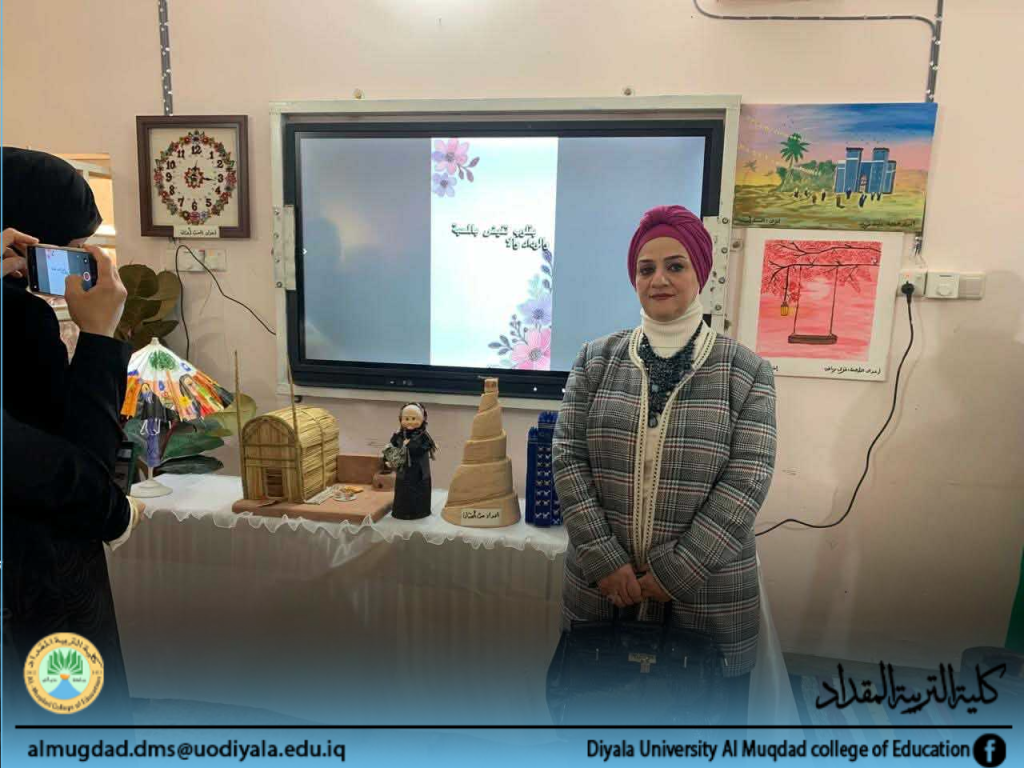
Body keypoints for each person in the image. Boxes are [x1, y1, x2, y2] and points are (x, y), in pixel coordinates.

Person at [553, 204, 777, 723]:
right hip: (604, 591)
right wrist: (605, 560)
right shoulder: (594, 360)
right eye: (645, 268)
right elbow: (567, 457)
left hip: (708, 594)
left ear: (702, 272)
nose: (659, 279)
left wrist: (676, 571)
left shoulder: (746, 371)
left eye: (675, 265)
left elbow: (749, 479)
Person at [2, 147, 143, 727]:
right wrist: (100, 337)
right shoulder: (20, 321)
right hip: (40, 588)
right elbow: (78, 474)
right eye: (70, 247)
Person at [386, 403, 437, 520]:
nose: (410, 422)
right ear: (401, 419)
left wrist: (409, 445)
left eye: (414, 419)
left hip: (419, 472)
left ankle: (420, 512)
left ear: (422, 419)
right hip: (403, 472)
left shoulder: (424, 436)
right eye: (407, 419)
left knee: (419, 493)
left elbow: (422, 449)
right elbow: (392, 446)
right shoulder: (399, 434)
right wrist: (389, 458)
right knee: (403, 492)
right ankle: (401, 512)